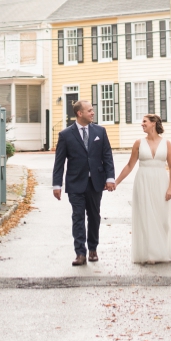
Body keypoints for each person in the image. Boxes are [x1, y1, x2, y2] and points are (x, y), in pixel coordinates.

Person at [114, 113, 171, 264]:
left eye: (144, 121)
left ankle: (162, 250)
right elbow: (129, 165)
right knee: (146, 217)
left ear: (153, 123)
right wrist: (116, 182)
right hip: (143, 182)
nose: (142, 124)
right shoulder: (138, 143)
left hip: (161, 182)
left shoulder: (166, 143)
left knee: (162, 218)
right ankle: (151, 254)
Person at [51, 99, 116, 266]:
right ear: (80, 113)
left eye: (92, 110)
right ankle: (80, 252)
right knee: (78, 217)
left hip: (96, 182)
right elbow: (59, 162)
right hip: (75, 183)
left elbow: (107, 155)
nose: (92, 113)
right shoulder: (65, 135)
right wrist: (57, 184)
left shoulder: (100, 132)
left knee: (94, 216)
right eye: (89, 110)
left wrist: (110, 178)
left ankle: (93, 248)